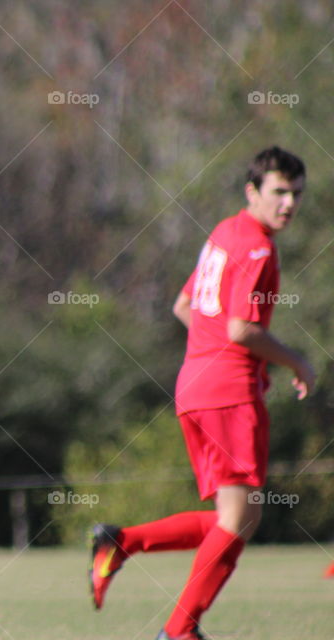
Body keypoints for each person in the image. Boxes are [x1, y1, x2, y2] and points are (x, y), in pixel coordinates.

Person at [88, 146, 316, 640]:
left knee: (235, 516)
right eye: (278, 192)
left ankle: (121, 542)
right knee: (237, 521)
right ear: (252, 191)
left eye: (296, 194)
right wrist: (296, 360)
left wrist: (221, 357)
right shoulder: (257, 246)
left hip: (195, 386)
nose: (289, 204)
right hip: (228, 393)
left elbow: (184, 305)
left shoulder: (224, 233)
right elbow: (239, 328)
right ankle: (178, 631)